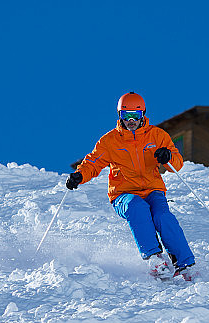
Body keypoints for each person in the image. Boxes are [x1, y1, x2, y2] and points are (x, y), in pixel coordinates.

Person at [66, 92, 195, 280]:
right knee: (137, 206)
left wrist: (167, 157)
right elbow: (92, 163)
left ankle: (185, 265)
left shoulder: (157, 136)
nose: (131, 120)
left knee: (163, 216)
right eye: (127, 116)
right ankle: (154, 258)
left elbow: (177, 163)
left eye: (136, 115)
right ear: (120, 115)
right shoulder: (110, 141)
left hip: (153, 190)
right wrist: (79, 175)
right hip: (123, 194)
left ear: (143, 114)